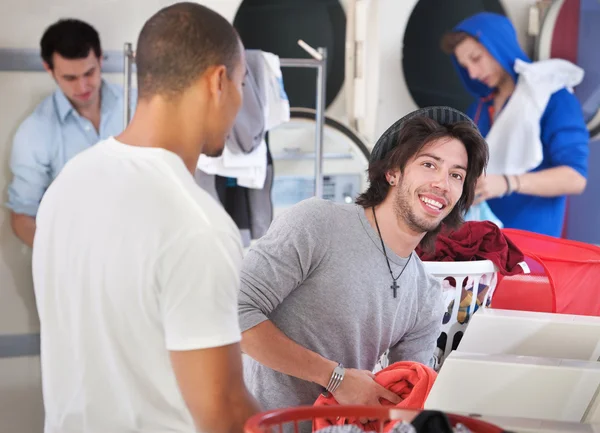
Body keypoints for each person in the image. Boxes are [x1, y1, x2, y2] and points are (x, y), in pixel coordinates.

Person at [32, 3, 260, 433]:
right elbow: (224, 413)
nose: (241, 102)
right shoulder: (196, 225)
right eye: (242, 83)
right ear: (217, 81)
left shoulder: (69, 183)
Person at [238, 106, 489, 413]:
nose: (442, 183)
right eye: (429, 165)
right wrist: (334, 378)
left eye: (455, 175)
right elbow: (234, 313)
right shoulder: (317, 224)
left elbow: (407, 399)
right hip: (260, 424)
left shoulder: (425, 295)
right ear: (392, 172)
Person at [441, 12, 589, 237]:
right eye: (464, 66)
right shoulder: (480, 108)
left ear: (499, 45)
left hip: (532, 242)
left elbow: (574, 178)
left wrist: (509, 183)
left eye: (476, 58)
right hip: (484, 237)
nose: (472, 73)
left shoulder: (552, 98)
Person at [7, 18, 131, 247]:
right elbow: (22, 218)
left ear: (100, 58)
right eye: (70, 78)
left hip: (140, 253)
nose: (82, 87)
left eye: (89, 73)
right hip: (75, 261)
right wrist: (64, 259)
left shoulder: (137, 106)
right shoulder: (35, 132)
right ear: (49, 69)